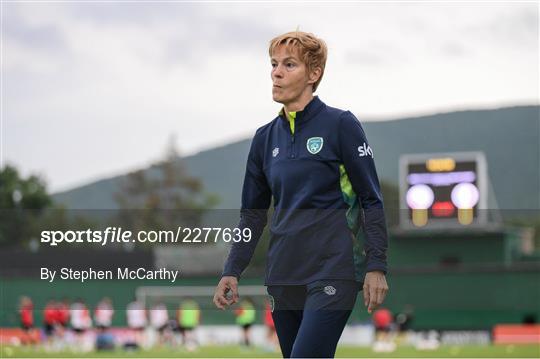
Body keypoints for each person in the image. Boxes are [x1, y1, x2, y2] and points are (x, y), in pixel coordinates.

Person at [213, 30, 389, 358]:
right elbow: (252, 214)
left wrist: (376, 265)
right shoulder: (264, 139)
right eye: (274, 64)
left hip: (333, 269)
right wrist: (231, 270)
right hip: (283, 275)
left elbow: (370, 199)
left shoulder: (341, 125)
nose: (276, 72)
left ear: (314, 73)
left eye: (289, 65)